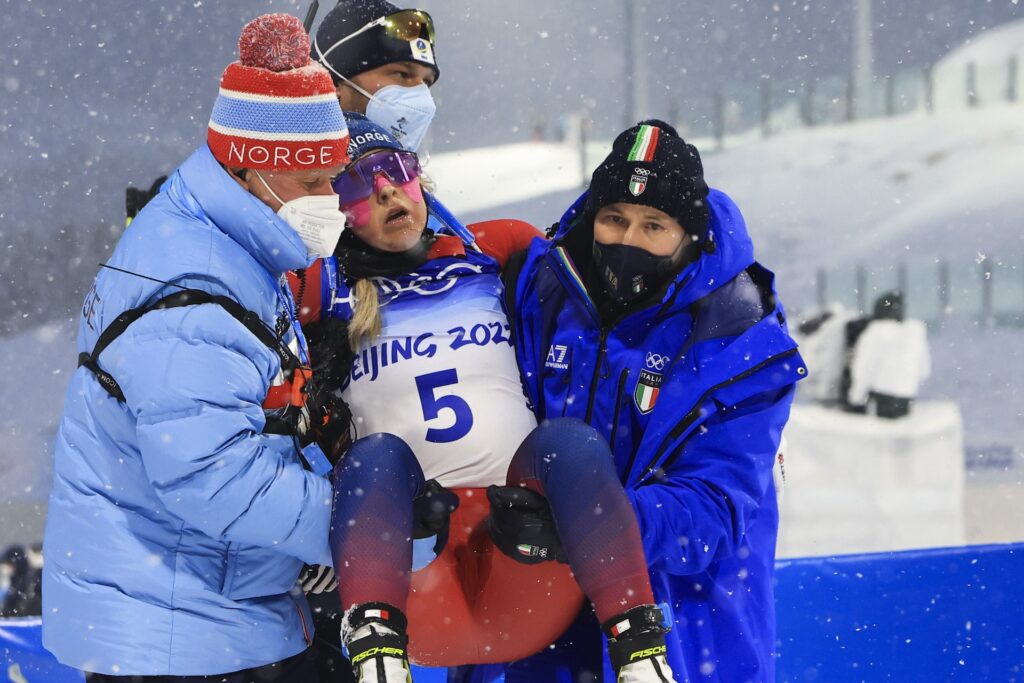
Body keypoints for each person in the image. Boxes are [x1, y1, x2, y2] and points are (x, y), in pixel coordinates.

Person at [293, 114, 680, 683]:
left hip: (525, 555)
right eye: (356, 183)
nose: (386, 191)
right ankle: (377, 661)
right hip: (409, 569)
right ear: (333, 209)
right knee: (375, 456)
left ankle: (643, 656)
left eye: (396, 169)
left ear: (419, 178)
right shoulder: (322, 288)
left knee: (569, 444)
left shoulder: (496, 247)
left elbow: (613, 267)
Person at [42, 15, 350, 681]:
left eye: (333, 178)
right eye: (312, 183)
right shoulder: (197, 284)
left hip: (205, 619)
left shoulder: (229, 246)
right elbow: (211, 476)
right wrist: (359, 525)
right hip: (178, 634)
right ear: (247, 171)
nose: (332, 201)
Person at [504, 120, 808, 682]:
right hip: (542, 627)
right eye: (614, 218)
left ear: (690, 235)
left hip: (682, 632)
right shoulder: (541, 293)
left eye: (654, 225)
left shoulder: (739, 337)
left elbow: (715, 508)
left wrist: (586, 525)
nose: (628, 240)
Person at [312, 0, 439, 151]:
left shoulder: (404, 167)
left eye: (427, 82)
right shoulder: (293, 161)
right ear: (332, 84)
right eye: (403, 74)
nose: (421, 95)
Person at [847, 290, 931, 418]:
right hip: (906, 394)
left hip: (882, 394)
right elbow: (924, 371)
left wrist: (856, 397)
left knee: (881, 426)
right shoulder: (914, 332)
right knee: (901, 423)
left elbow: (865, 366)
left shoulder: (875, 332)